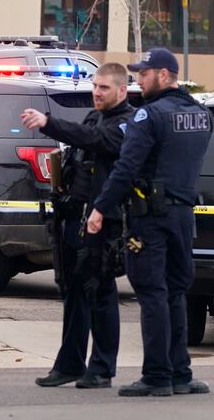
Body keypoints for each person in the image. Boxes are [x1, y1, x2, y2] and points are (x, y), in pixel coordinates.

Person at [86, 47, 213, 397]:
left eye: (144, 73)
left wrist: (99, 208)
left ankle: (157, 375)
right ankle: (180, 373)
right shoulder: (201, 114)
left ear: (164, 75)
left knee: (152, 293)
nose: (138, 79)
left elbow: (125, 169)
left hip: (150, 219)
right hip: (183, 216)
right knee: (175, 292)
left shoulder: (148, 117)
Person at [20, 62, 134, 389]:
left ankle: (101, 368)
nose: (97, 92)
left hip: (102, 222)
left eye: (104, 88)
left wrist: (48, 123)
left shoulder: (127, 123)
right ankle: (69, 363)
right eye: (95, 86)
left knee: (100, 293)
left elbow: (96, 140)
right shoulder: (94, 116)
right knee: (72, 292)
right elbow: (81, 148)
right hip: (73, 217)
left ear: (121, 90)